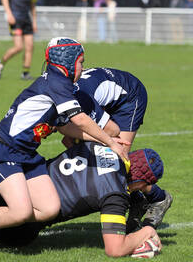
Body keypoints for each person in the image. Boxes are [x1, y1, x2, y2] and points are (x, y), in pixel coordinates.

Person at [0, 37, 128, 257]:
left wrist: (103, 140)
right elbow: (79, 120)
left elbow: (68, 128)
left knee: (49, 209)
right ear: (67, 62)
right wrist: (110, 143)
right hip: (2, 151)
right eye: (81, 62)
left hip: (26, 156)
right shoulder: (56, 83)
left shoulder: (63, 85)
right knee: (20, 211)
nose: (83, 67)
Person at [0, 142, 165, 257]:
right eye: (145, 186)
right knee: (23, 239)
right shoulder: (115, 193)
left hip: (20, 179)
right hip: (29, 213)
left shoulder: (100, 145)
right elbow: (114, 249)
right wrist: (148, 230)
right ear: (139, 182)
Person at [73, 68, 173, 232]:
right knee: (82, 149)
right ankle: (137, 200)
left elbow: (111, 131)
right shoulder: (61, 90)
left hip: (130, 97)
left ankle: (159, 198)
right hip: (106, 99)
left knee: (118, 161)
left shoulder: (78, 97)